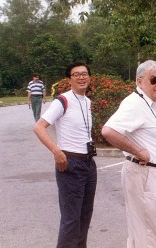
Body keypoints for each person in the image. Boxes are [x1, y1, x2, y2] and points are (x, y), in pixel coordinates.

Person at [102, 60, 156, 248]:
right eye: (153, 80)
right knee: (150, 230)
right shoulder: (135, 104)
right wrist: (138, 151)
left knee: (146, 228)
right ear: (139, 81)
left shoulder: (150, 104)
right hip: (146, 174)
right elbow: (108, 131)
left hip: (152, 174)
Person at [33, 62, 97, 248]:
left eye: (84, 74)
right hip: (71, 164)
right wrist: (56, 151)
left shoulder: (87, 101)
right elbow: (39, 127)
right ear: (69, 79)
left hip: (88, 163)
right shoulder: (63, 101)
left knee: (85, 216)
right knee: (71, 219)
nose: (81, 77)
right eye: (76, 74)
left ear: (89, 77)